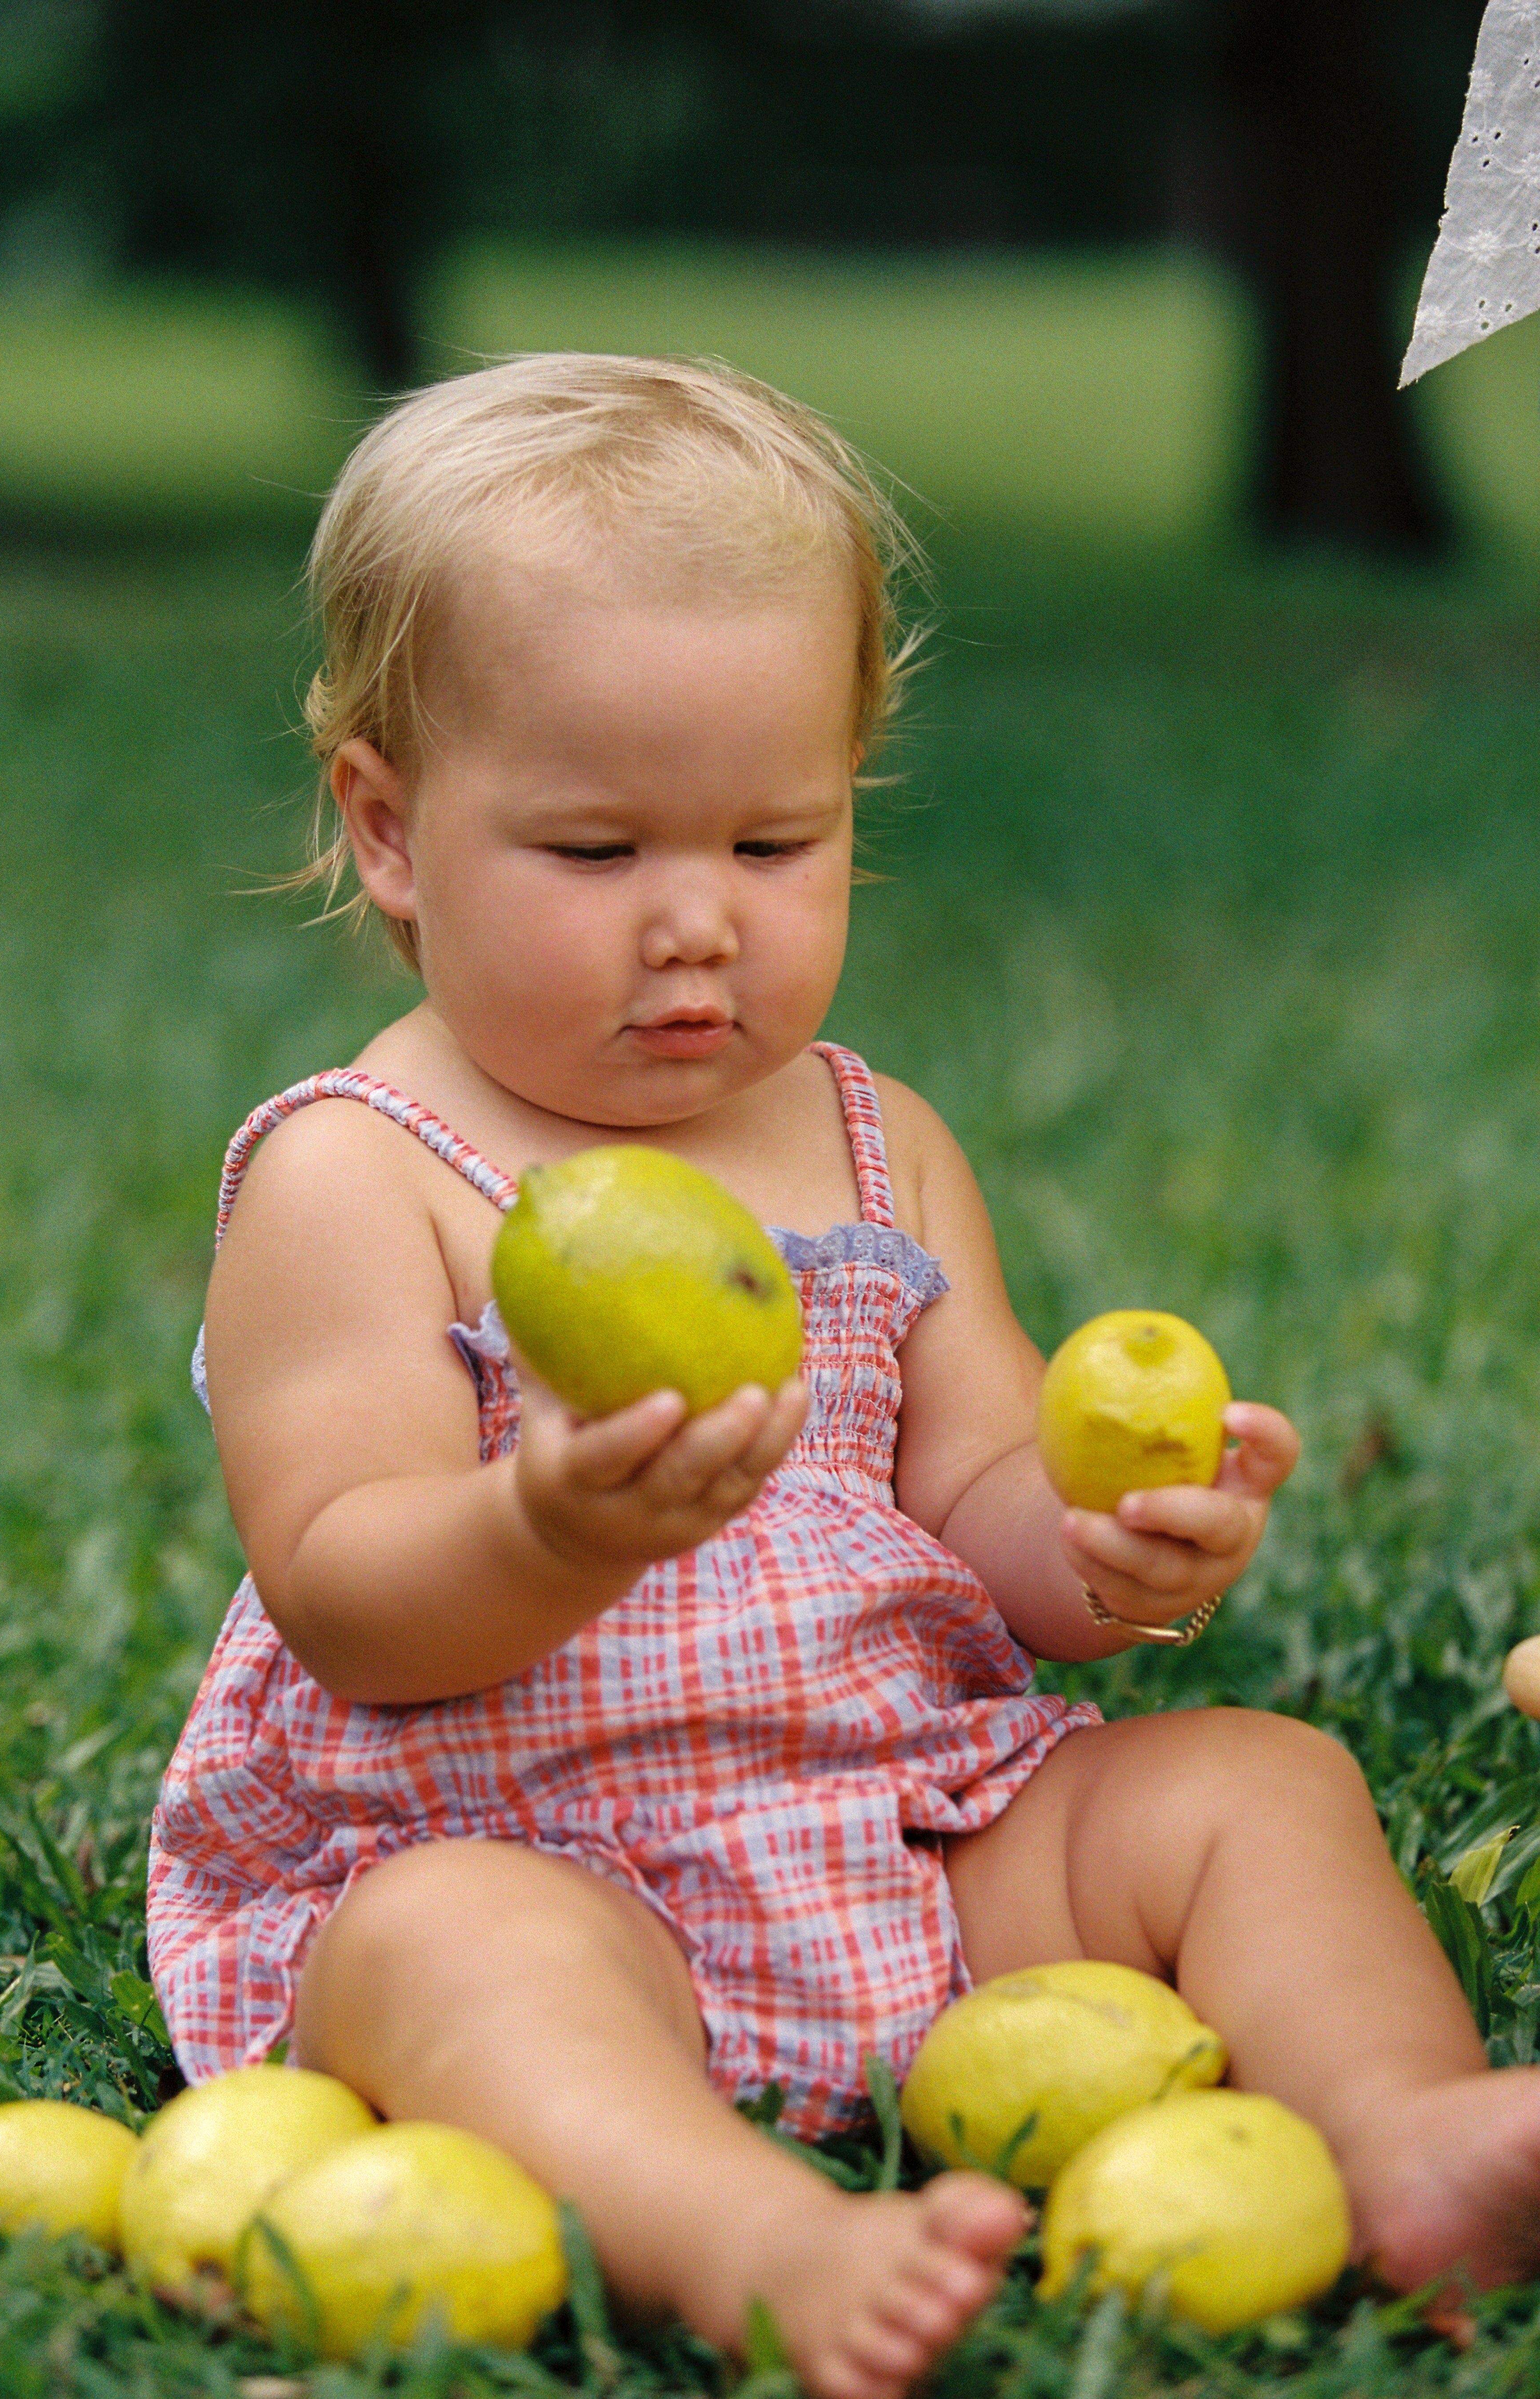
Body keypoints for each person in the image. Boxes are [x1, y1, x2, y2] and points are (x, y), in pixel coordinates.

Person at [149, 356, 1540, 2399]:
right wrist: (544, 1526)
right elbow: (345, 1588)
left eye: (776, 839)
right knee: (453, 1950)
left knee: (1254, 1785)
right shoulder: (361, 1178)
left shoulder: (875, 1138)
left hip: (893, 1828)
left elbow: (976, 1503)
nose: (698, 924)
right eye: (600, 850)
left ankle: (1406, 2140)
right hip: (532, 1850)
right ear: (391, 828)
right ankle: (754, 2241)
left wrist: (1109, 1548)